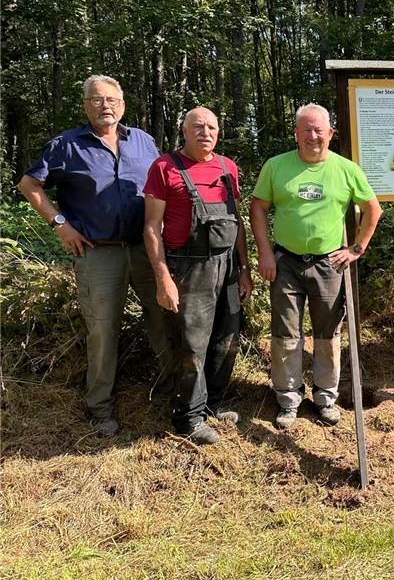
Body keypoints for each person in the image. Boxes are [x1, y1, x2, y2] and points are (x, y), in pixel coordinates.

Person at [17, 75, 172, 437]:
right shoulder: (67, 146)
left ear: (123, 104)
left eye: (112, 100)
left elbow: (163, 187)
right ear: (85, 105)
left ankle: (171, 390)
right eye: (97, 100)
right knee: (103, 331)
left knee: (164, 319)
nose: (105, 106)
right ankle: (100, 407)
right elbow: (29, 185)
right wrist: (61, 225)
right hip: (98, 253)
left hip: (145, 249)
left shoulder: (145, 142)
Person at [250, 103, 382, 430]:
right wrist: (265, 252)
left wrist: (356, 249)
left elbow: (372, 209)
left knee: (327, 334)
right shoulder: (276, 166)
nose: (313, 136)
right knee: (285, 333)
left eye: (319, 130)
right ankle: (288, 398)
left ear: (330, 134)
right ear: (296, 133)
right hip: (286, 263)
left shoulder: (346, 169)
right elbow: (257, 208)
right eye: (306, 130)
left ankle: (325, 397)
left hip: (329, 264)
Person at [143, 107, 252, 445]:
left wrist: (244, 269)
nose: (205, 132)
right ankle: (188, 417)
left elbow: (238, 223)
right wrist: (163, 278)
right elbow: (151, 227)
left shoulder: (227, 167)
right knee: (192, 346)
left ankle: (212, 404)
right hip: (188, 268)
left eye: (212, 127)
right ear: (184, 131)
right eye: (198, 126)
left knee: (226, 339)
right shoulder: (164, 168)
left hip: (228, 267)